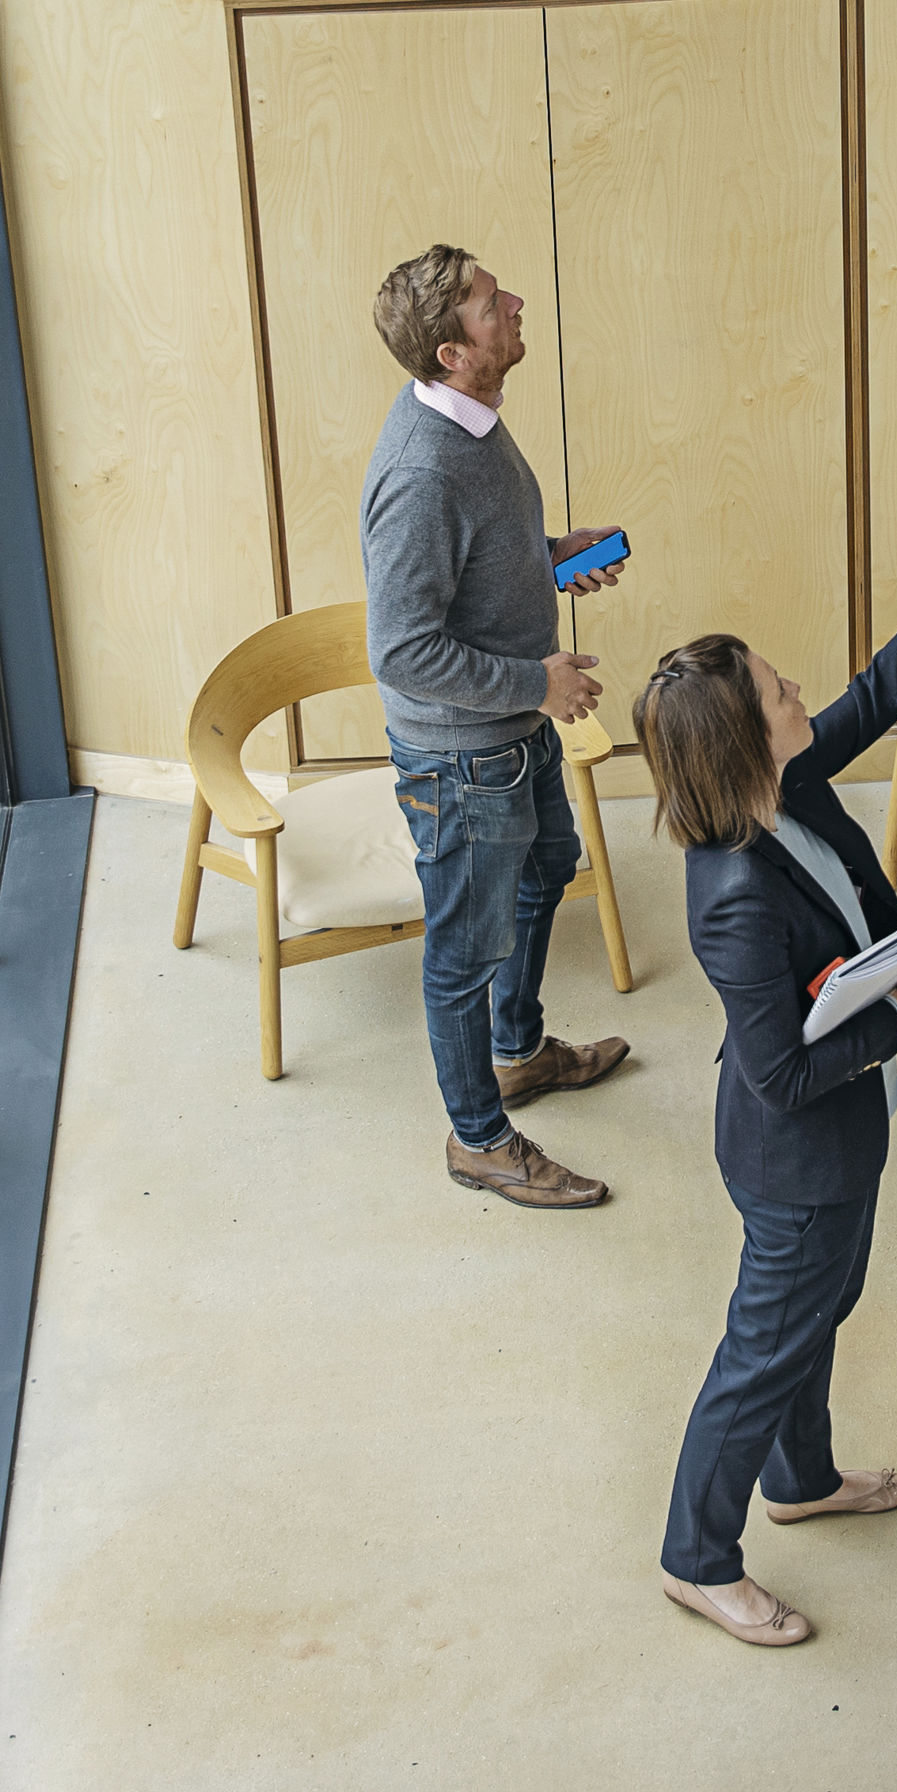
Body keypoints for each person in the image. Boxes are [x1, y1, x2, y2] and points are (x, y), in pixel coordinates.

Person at [633, 454, 897, 1646]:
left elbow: (874, 692)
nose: (799, 688)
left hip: (838, 1147)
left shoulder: (783, 779)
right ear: (740, 745)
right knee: (763, 1348)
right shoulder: (731, 900)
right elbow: (786, 1071)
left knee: (824, 1306)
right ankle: (694, 1557)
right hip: (795, 1157)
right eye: (775, 689)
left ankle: (802, 1482)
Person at [362, 244, 631, 1211]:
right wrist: (537, 679)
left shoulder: (472, 422)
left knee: (550, 864)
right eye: (487, 303)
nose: (512, 301)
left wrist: (550, 558)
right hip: (465, 755)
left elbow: (479, 562)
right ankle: (479, 1137)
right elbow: (400, 650)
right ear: (450, 352)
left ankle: (516, 1053)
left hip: (511, 729)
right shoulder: (421, 473)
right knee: (461, 953)